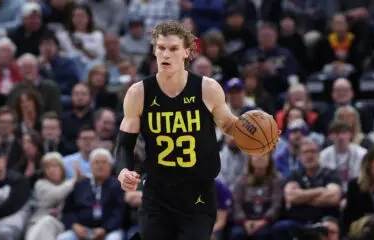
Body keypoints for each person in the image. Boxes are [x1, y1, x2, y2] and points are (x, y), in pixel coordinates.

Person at [115, 21, 275, 240]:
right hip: (157, 192)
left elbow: (228, 125)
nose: (166, 54)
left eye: (173, 49)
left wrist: (256, 137)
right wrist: (123, 170)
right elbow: (125, 142)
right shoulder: (139, 93)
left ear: (186, 53)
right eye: (161, 48)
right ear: (154, 51)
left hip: (198, 193)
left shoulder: (207, 89)